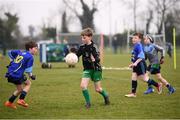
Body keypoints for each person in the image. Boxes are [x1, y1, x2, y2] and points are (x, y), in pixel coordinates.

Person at [76, 28, 110, 108]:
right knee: (83, 86)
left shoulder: (94, 47)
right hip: (87, 70)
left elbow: (98, 58)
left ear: (90, 37)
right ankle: (88, 103)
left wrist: (95, 59)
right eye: (82, 37)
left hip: (96, 69)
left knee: (98, 89)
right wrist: (72, 57)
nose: (82, 39)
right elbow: (77, 55)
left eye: (84, 37)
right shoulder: (82, 47)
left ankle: (106, 95)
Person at [125, 33, 162, 98]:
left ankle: (158, 85)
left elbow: (141, 56)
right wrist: (133, 63)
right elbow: (135, 56)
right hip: (137, 64)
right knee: (133, 77)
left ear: (139, 39)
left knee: (145, 79)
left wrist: (136, 63)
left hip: (140, 64)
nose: (133, 39)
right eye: (133, 38)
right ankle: (133, 94)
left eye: (135, 38)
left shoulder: (138, 46)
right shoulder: (136, 45)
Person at [4, 41, 38, 109]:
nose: (36, 50)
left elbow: (9, 53)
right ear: (30, 49)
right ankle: (21, 100)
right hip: (16, 74)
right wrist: (31, 76)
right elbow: (28, 70)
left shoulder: (19, 52)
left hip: (10, 72)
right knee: (28, 83)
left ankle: (9, 103)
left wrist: (12, 61)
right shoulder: (30, 57)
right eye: (35, 48)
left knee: (19, 89)